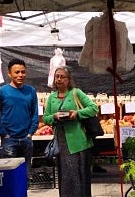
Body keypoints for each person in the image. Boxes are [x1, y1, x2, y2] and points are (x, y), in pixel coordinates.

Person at [42, 66, 98, 197]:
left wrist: (77, 113)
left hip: (78, 141)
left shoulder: (76, 93)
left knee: (79, 176)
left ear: (68, 79)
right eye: (57, 76)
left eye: (62, 77)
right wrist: (54, 117)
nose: (59, 79)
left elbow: (93, 108)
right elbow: (46, 118)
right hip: (61, 142)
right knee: (66, 176)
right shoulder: (52, 98)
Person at [0, 58, 39, 168]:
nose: (20, 75)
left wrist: (30, 133)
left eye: (23, 72)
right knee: (10, 173)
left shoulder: (31, 91)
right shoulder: (1, 91)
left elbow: (34, 113)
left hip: (26, 139)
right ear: (9, 74)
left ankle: (25, 186)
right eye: (17, 72)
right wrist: (4, 133)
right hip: (9, 139)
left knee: (26, 173)